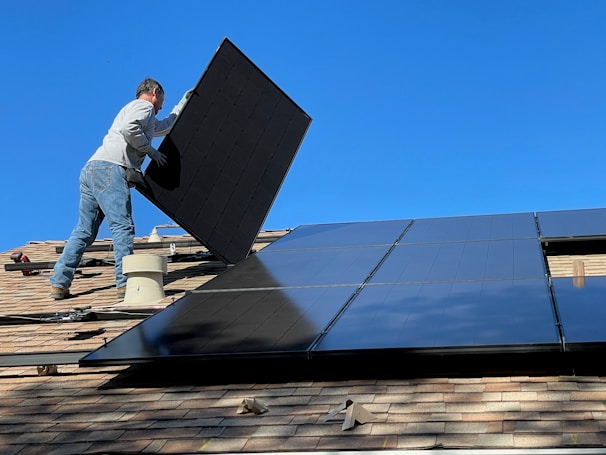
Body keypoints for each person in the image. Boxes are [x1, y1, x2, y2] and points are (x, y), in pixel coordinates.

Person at [50, 78, 192, 300]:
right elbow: (130, 129)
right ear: (155, 92)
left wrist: (182, 104)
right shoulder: (143, 106)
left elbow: (163, 127)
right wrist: (151, 152)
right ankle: (125, 285)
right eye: (163, 99)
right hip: (110, 169)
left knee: (84, 231)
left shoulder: (136, 111)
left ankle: (59, 283)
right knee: (122, 226)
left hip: (92, 169)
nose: (162, 104)